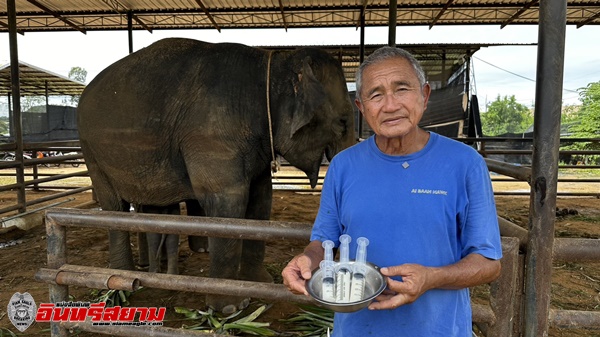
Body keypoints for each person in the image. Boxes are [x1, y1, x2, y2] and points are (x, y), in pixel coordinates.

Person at [281, 46, 503, 336]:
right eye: (375, 94)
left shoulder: (465, 164)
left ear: (424, 95)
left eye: (402, 89)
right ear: (361, 107)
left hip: (437, 329)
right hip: (358, 328)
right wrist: (307, 261)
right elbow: (323, 241)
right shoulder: (343, 166)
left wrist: (432, 278)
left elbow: (488, 264)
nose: (390, 105)